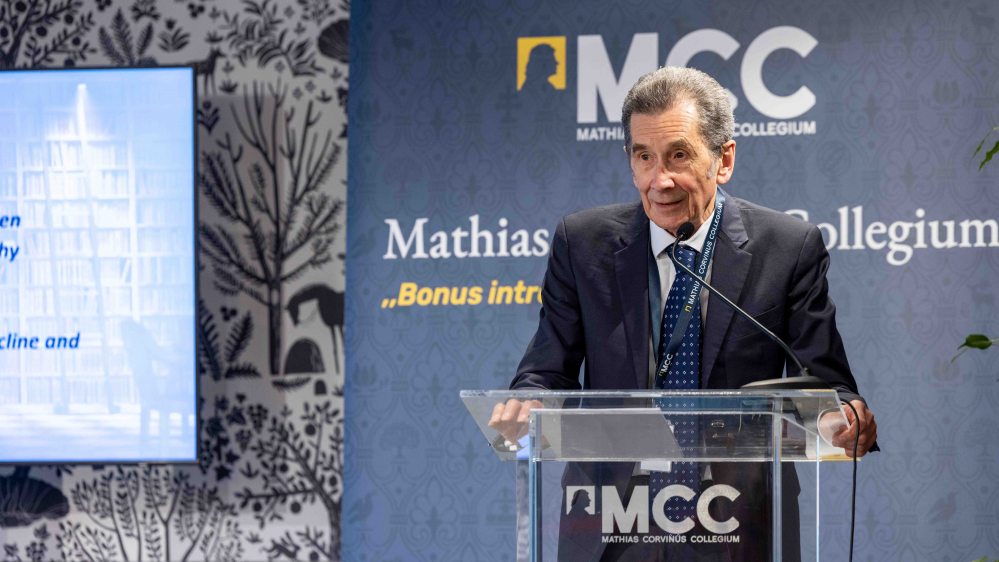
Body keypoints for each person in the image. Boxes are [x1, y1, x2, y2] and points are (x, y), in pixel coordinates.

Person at [488, 66, 878, 561]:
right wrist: (530, 403)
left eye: (679, 155)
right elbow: (546, 371)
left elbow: (829, 386)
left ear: (724, 159)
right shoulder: (581, 244)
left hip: (738, 520)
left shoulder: (787, 248)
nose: (659, 180)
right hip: (612, 519)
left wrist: (843, 417)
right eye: (643, 156)